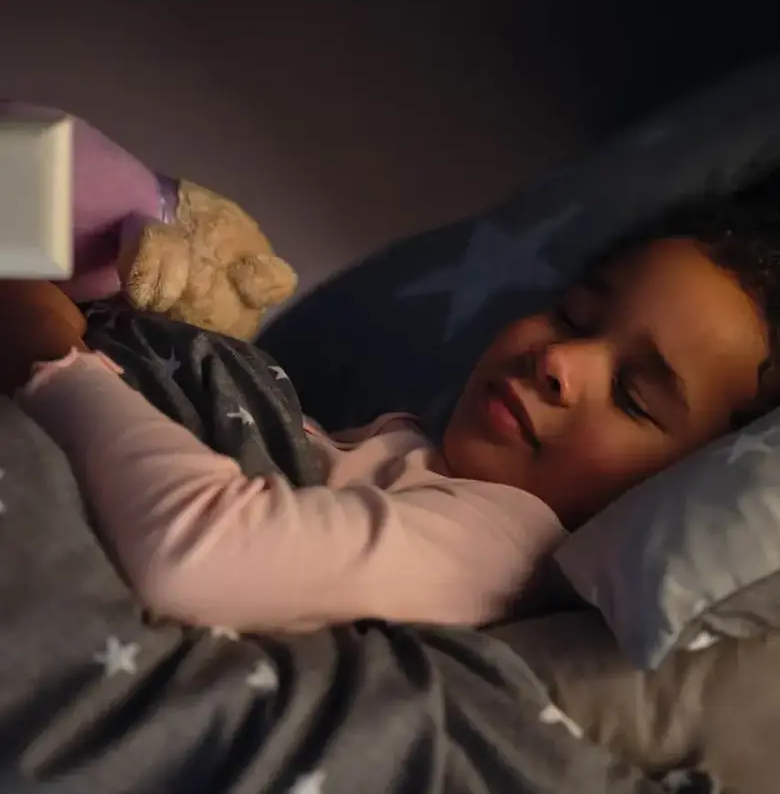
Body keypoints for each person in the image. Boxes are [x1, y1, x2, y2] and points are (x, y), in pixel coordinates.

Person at [2, 170, 779, 634]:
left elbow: (195, 555)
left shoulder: (500, 545)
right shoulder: (413, 463)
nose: (560, 360)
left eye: (635, 398)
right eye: (574, 315)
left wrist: (52, 357)